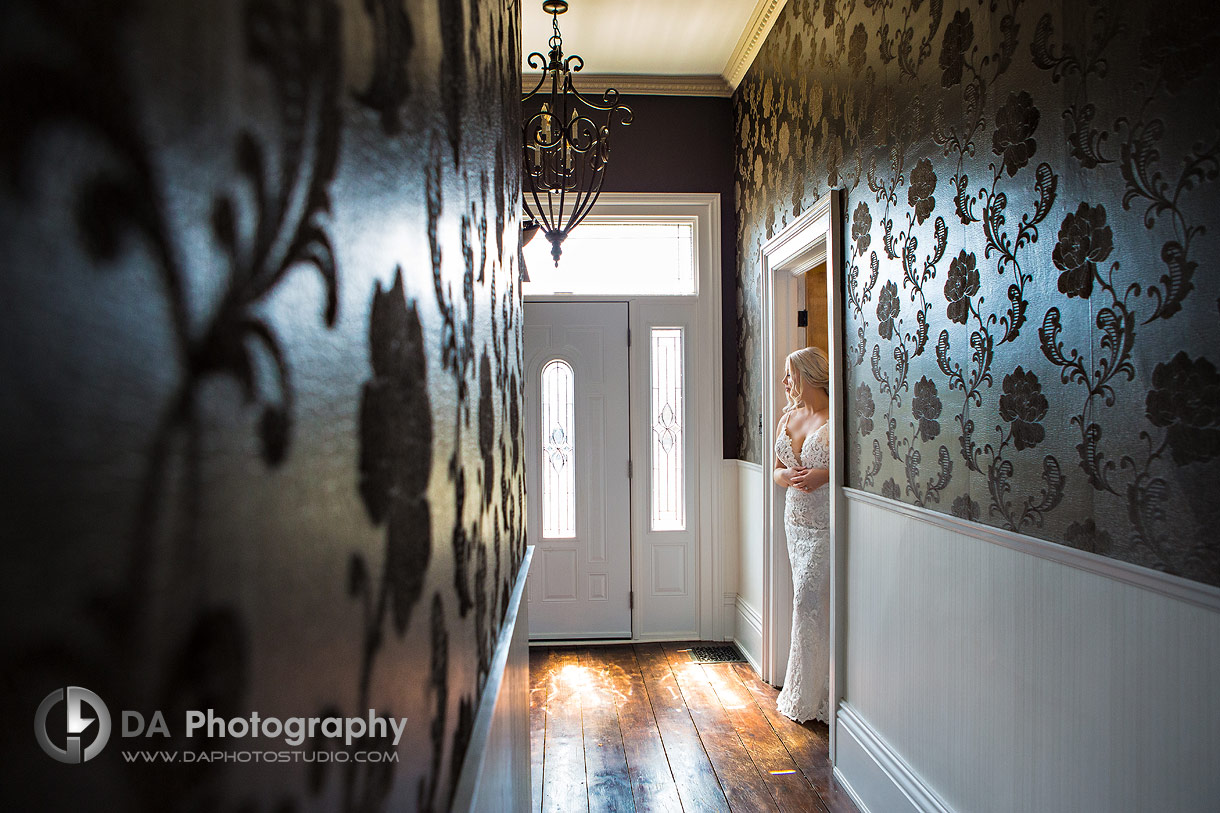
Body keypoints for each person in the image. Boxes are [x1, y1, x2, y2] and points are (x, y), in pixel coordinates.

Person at [772, 346, 831, 723]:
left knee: (808, 600)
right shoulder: (788, 417)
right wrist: (787, 477)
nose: (785, 381)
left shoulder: (834, 415)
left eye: (790, 374)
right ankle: (805, 691)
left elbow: (849, 464)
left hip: (824, 522)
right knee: (805, 600)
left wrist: (822, 475)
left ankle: (819, 695)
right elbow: (777, 471)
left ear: (808, 375)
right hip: (795, 520)